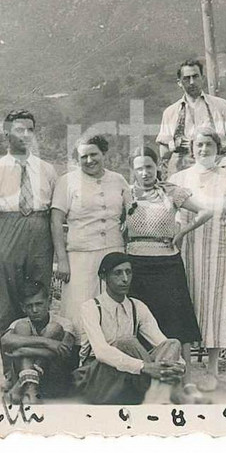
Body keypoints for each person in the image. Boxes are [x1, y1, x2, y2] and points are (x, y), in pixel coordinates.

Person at [0, 109, 58, 390]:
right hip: (6, 234)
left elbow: (57, 213)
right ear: (6, 133)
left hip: (39, 233)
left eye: (30, 129)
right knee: (8, 308)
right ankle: (12, 374)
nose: (25, 135)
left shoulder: (47, 170)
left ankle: (38, 373)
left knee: (39, 306)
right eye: (19, 129)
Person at [125, 146, 212, 403]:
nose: (145, 173)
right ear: (133, 171)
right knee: (141, 324)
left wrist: (182, 231)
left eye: (149, 167)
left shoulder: (171, 192)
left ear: (157, 168)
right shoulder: (126, 194)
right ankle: (148, 381)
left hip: (168, 263)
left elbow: (207, 211)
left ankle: (186, 382)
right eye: (139, 168)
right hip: (136, 264)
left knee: (177, 321)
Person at [168, 128, 226, 392]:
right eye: (199, 145)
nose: (203, 150)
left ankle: (213, 370)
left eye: (208, 145)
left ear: (217, 148)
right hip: (186, 247)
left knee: (216, 306)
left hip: (220, 248)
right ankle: (187, 370)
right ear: (192, 149)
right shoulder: (179, 178)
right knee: (186, 305)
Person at [74, 253, 186, 405]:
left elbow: (162, 343)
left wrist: (179, 365)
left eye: (128, 272)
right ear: (103, 277)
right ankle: (159, 395)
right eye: (118, 273)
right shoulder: (91, 307)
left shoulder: (137, 306)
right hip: (98, 378)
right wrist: (145, 366)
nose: (125, 279)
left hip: (133, 376)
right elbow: (101, 352)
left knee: (173, 344)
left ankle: (156, 395)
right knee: (126, 342)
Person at [51, 135, 131, 340]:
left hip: (113, 253)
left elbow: (131, 214)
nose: (89, 160)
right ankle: (78, 361)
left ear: (104, 153)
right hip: (80, 257)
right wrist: (62, 260)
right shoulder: (67, 182)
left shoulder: (118, 180)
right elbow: (55, 221)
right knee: (79, 308)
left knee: (111, 306)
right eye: (83, 157)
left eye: (93, 154)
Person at [156, 60, 226, 175]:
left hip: (218, 165)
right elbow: (164, 148)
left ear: (202, 78)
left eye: (195, 77)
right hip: (184, 168)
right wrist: (164, 171)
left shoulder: (220, 105)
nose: (192, 82)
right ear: (179, 82)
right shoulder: (170, 112)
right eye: (187, 78)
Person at [0, 280, 76, 405]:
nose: (35, 310)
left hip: (52, 381)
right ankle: (31, 390)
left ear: (49, 302)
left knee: (54, 328)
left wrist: (24, 350)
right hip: (24, 374)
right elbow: (5, 341)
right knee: (22, 327)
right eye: (29, 306)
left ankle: (26, 386)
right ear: (23, 307)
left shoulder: (64, 323)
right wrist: (46, 342)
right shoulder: (20, 324)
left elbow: (64, 351)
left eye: (39, 304)